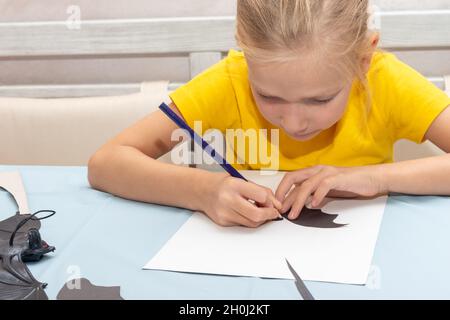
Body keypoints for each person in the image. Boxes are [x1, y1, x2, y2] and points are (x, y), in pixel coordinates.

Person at [88, 0, 450, 228]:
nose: (293, 123)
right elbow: (105, 163)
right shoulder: (230, 81)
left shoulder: (384, 80)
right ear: (246, 56)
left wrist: (374, 178)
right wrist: (204, 191)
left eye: (320, 99)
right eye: (267, 95)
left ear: (363, 59)